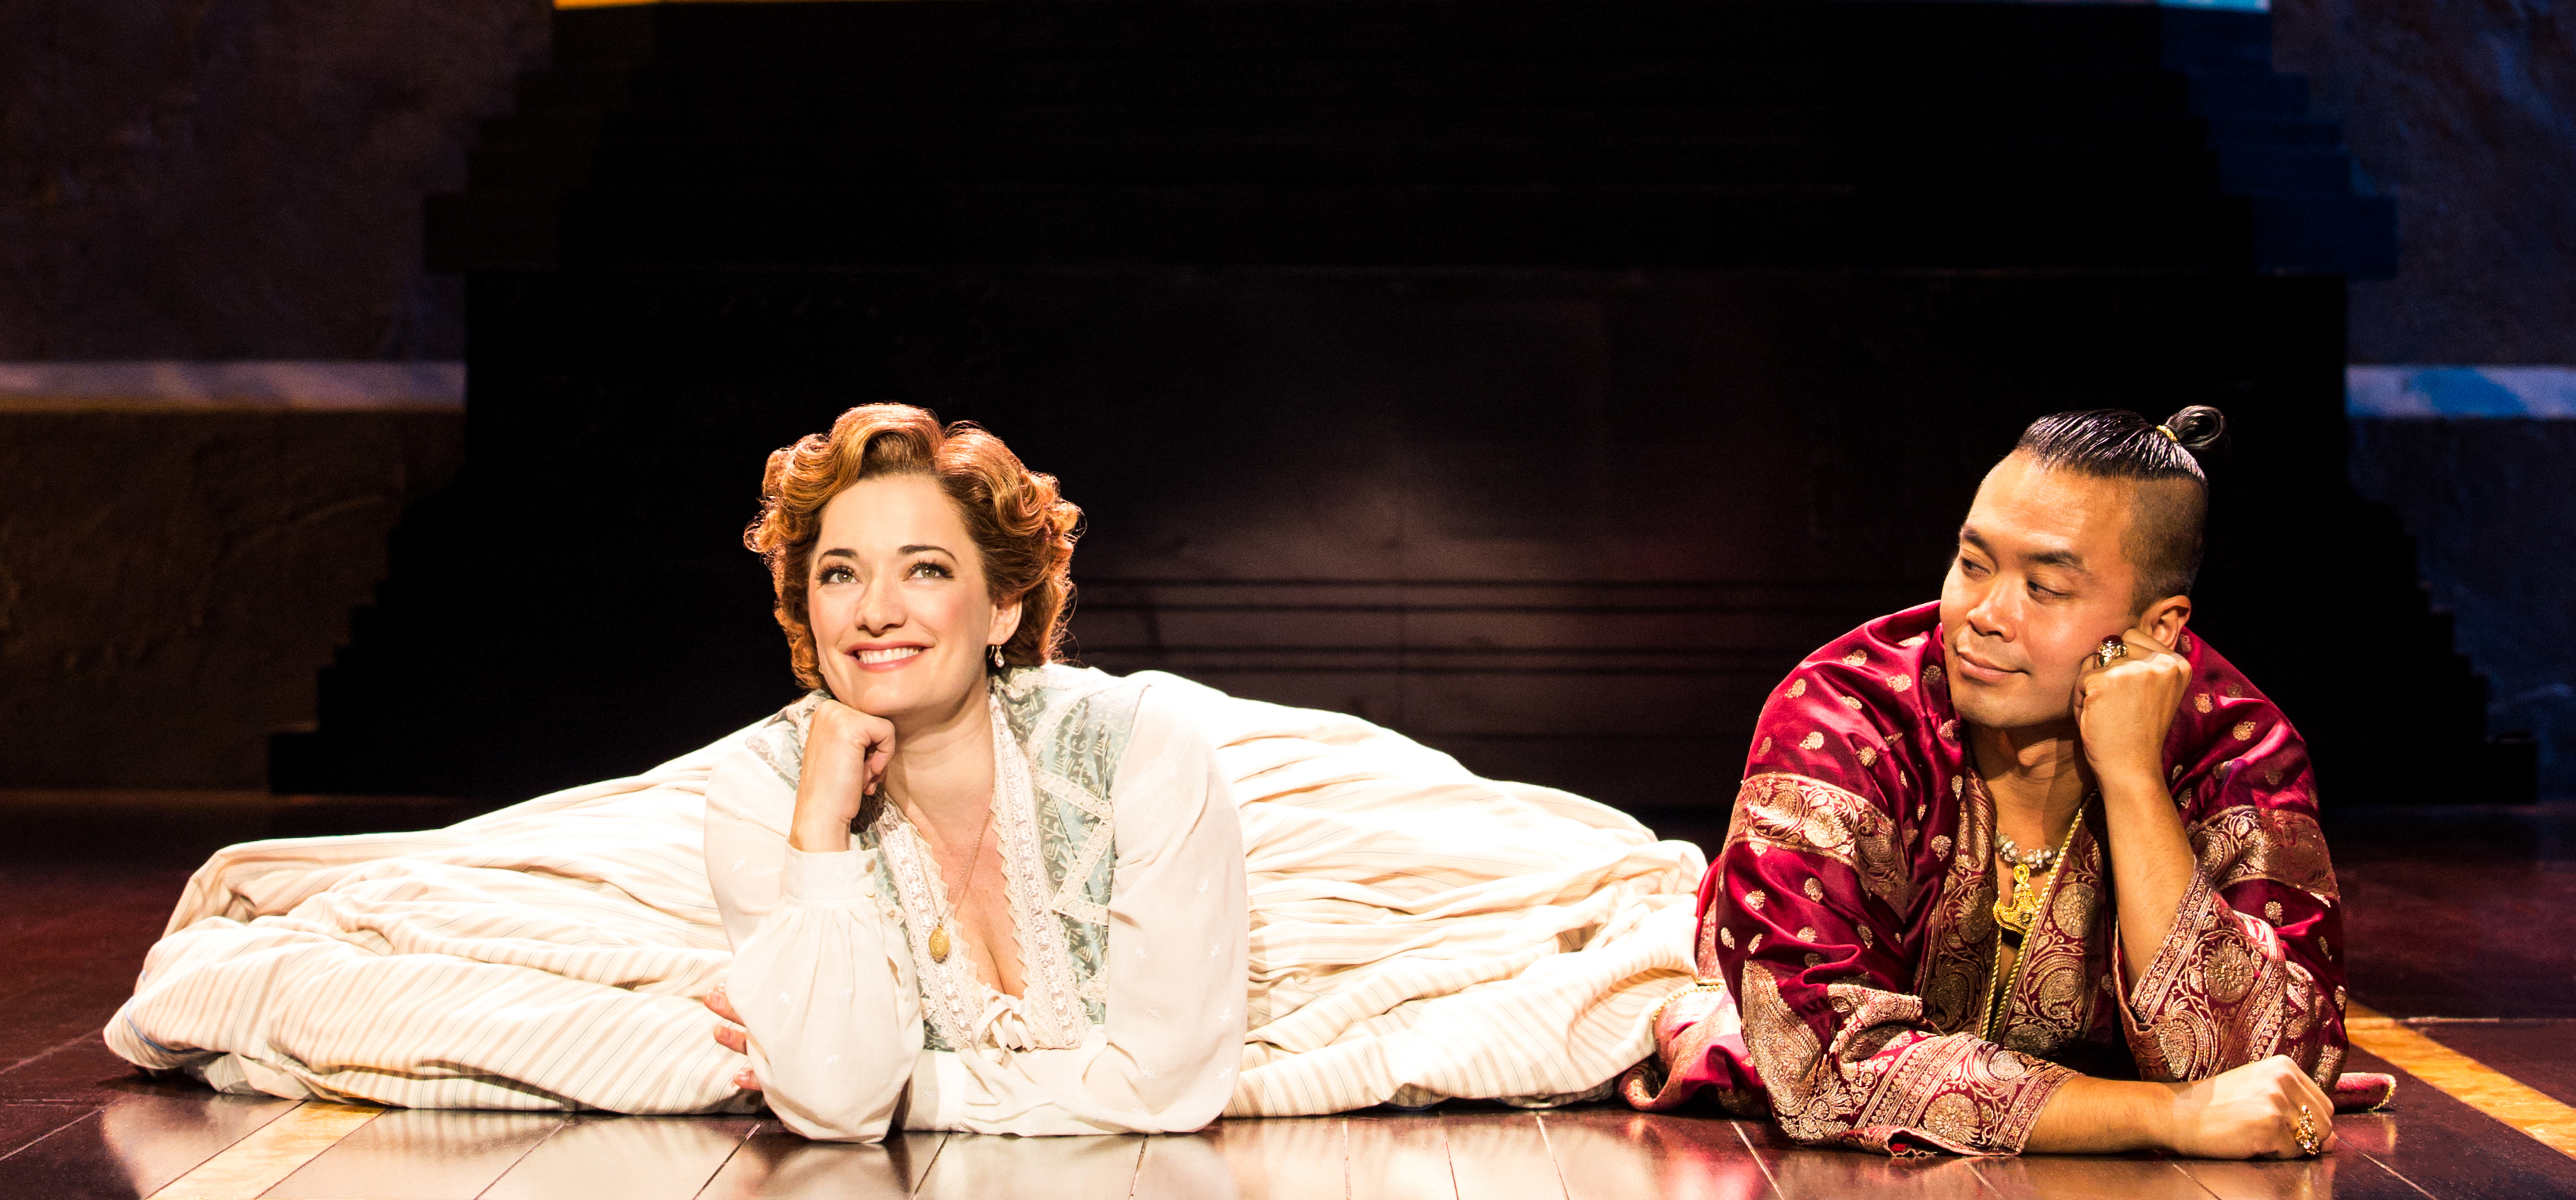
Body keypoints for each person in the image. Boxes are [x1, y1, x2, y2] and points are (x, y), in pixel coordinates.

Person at [106, 401, 1701, 1135]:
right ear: (800, 606)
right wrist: (813, 846)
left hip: (1157, 771)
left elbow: (1163, 1083)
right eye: (839, 574)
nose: (877, 609)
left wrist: (911, 1090)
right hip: (802, 798)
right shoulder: (772, 791)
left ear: (1004, 599)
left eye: (924, 568)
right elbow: (821, 1093)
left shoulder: (1142, 755)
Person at [1631, 405, 2395, 1157]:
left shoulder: (2236, 747)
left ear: (2158, 628)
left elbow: (2265, 1066)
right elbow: (1820, 1062)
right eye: (1972, 563)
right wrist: (2166, 1116)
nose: (1983, 615)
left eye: (2045, 587)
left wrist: (2131, 779)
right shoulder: (1842, 712)